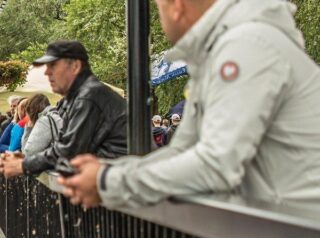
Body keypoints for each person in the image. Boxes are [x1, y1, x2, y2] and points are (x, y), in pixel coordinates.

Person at [60, 0, 320, 213]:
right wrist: (109, 172)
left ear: (176, 5)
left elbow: (215, 164)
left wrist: (107, 182)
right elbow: (182, 150)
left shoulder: (244, 45)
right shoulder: (227, 48)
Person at [0, 40, 128, 178]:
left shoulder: (88, 97)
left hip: (123, 185)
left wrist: (24, 165)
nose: (47, 72)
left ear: (75, 66)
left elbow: (70, 151)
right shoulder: (84, 95)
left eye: (53, 65)